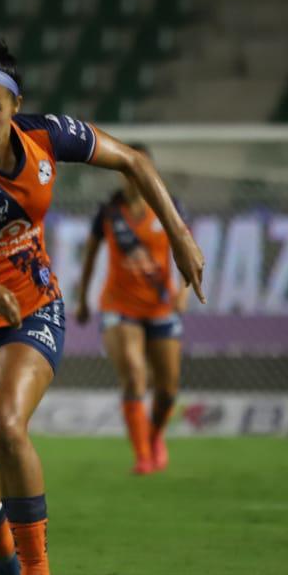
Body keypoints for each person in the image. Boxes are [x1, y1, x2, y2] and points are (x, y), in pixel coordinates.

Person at [0, 38, 205, 575]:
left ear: (15, 107)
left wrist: (179, 236)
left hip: (30, 305)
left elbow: (135, 163)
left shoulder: (47, 136)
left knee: (5, 426)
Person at [74, 144, 188, 475]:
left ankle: (154, 437)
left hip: (161, 304)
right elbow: (91, 257)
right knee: (135, 376)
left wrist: (183, 291)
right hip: (119, 306)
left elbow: (186, 247)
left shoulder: (167, 206)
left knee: (168, 389)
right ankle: (142, 457)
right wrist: (82, 299)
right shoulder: (108, 212)